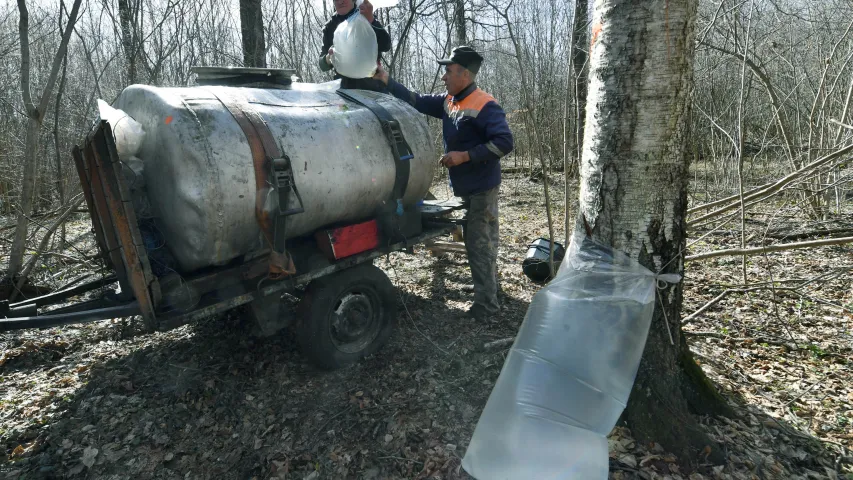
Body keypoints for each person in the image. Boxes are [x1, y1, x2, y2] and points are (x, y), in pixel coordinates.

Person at [373, 46, 514, 321]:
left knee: (479, 244)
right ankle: (492, 290)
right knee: (482, 241)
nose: (443, 76)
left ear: (464, 73)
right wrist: (386, 81)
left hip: (482, 188)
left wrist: (465, 156)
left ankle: (487, 308)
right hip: (465, 187)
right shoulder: (449, 100)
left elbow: (505, 143)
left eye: (448, 71)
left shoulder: (485, 105)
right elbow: (416, 100)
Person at [319, 0, 391, 91]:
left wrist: (371, 20)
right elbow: (322, 65)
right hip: (344, 89)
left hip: (373, 86)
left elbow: (386, 45)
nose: (341, 1)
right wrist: (329, 58)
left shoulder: (364, 17)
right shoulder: (330, 27)